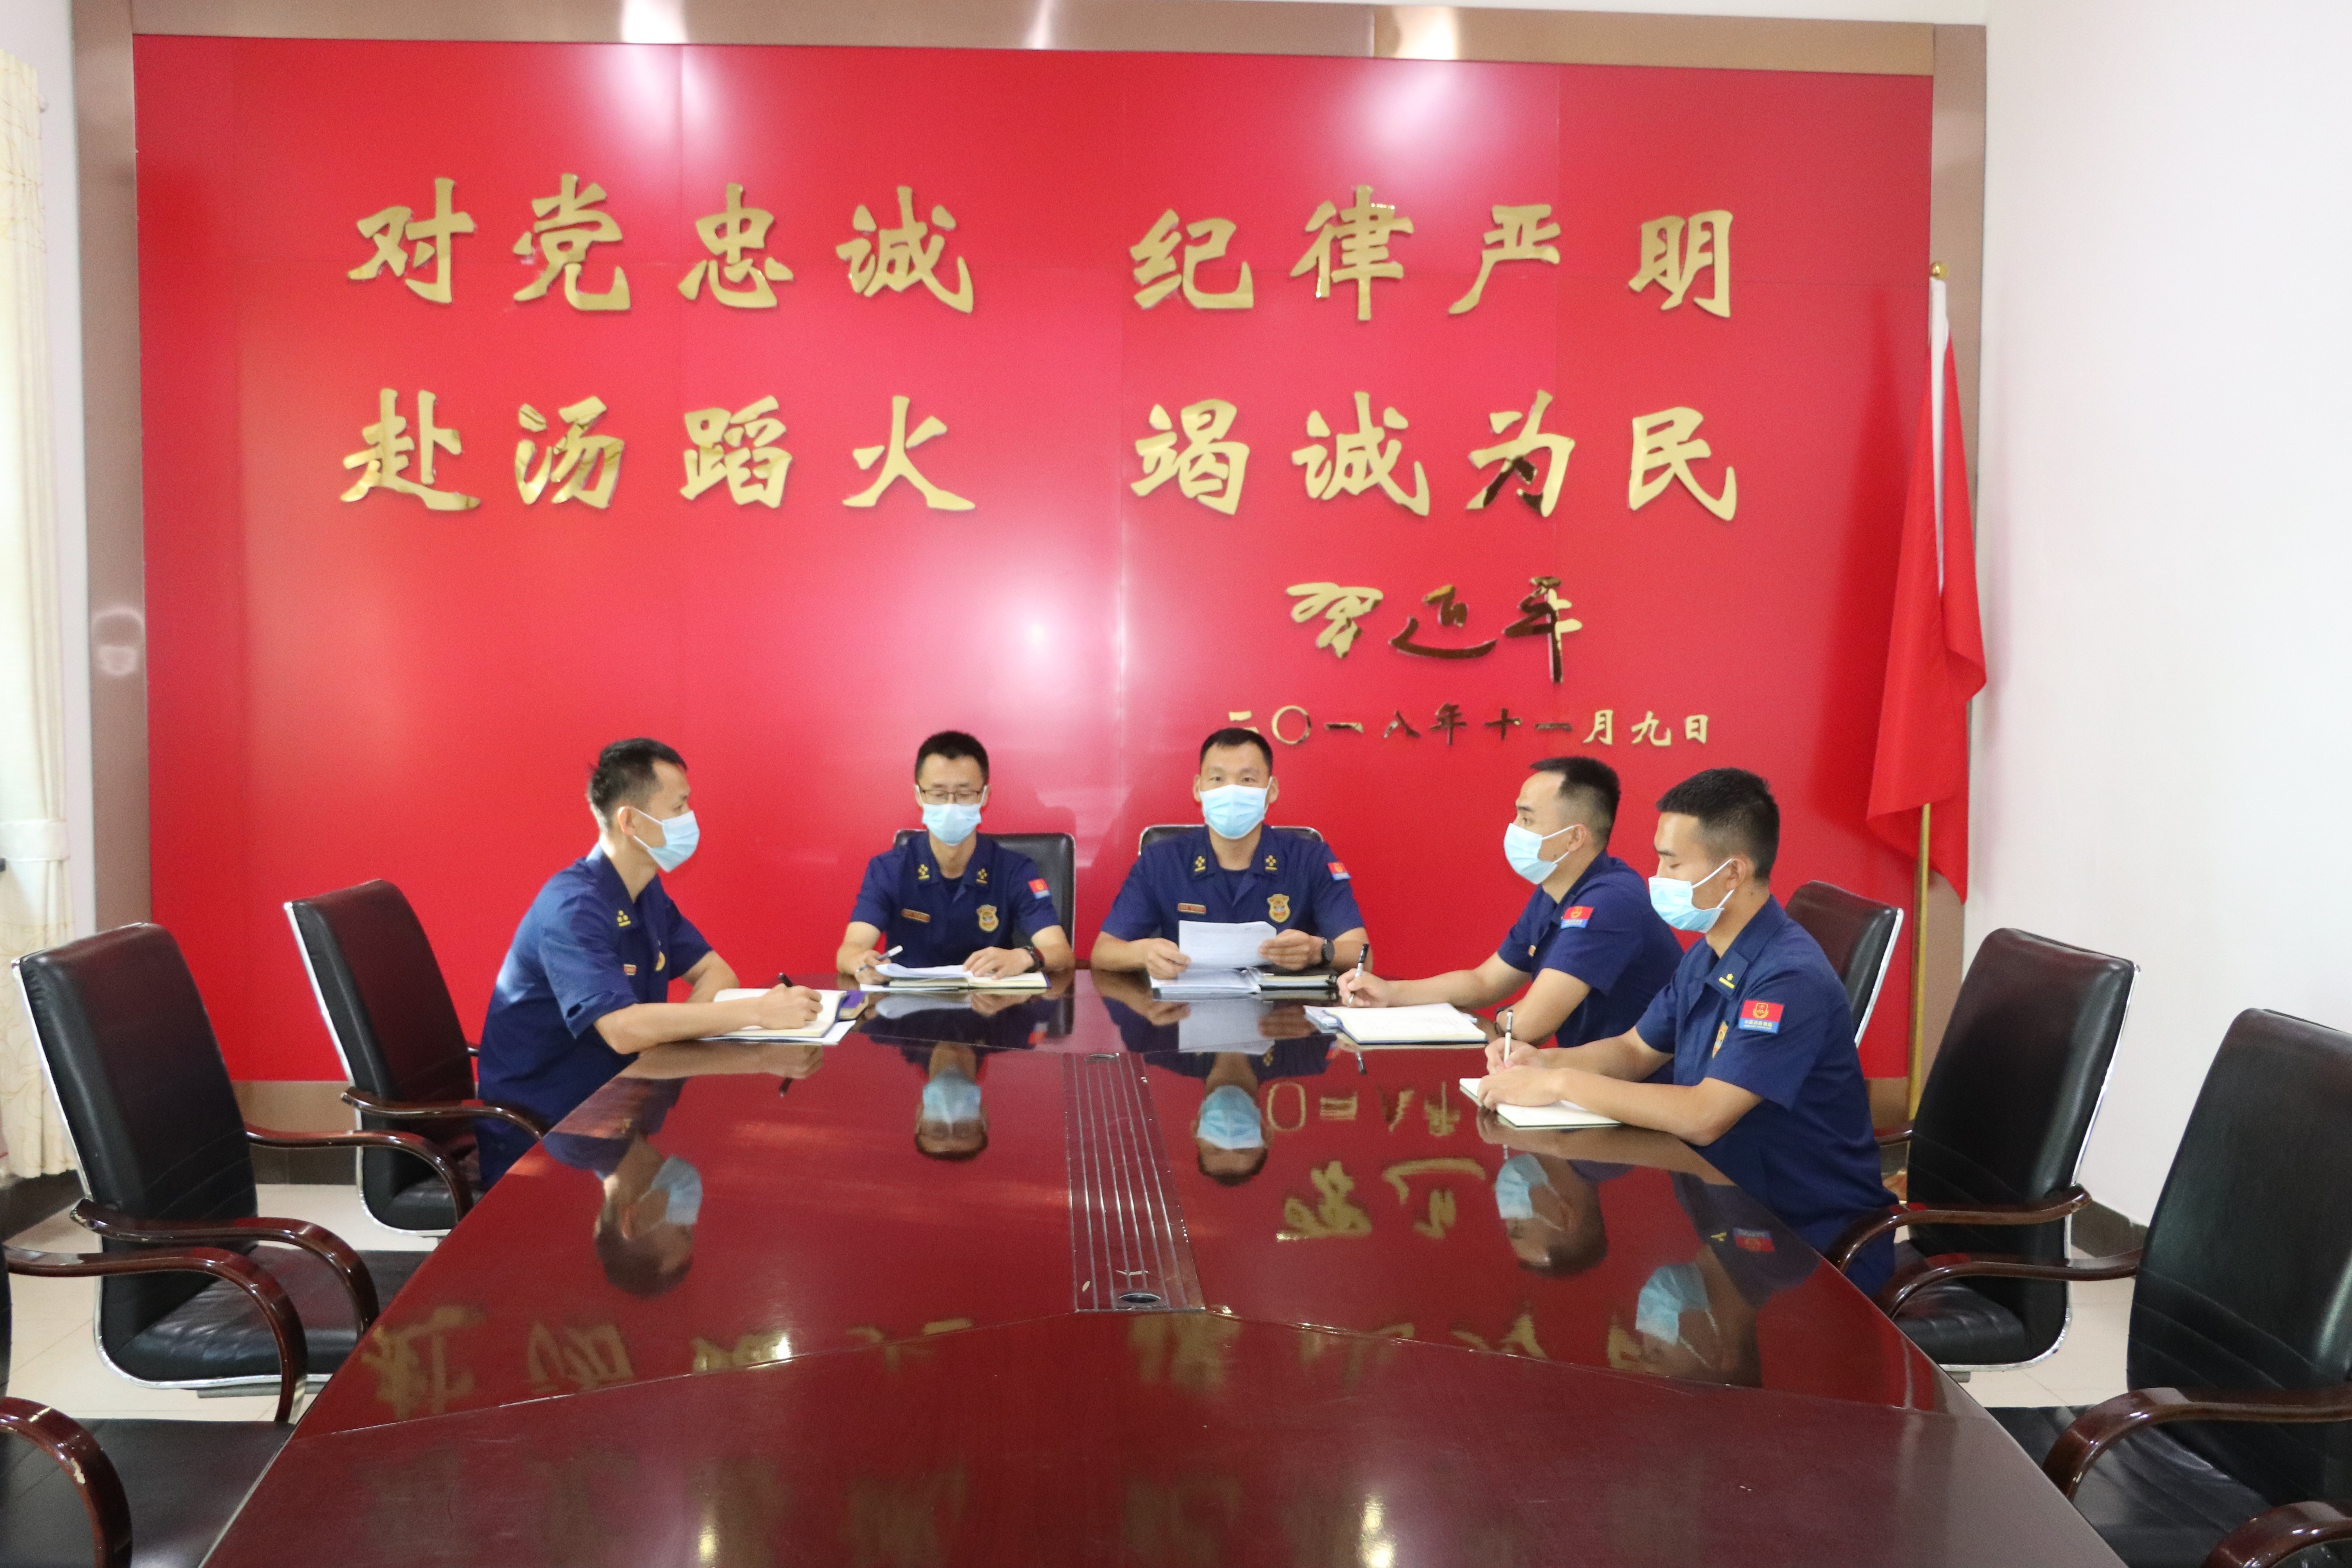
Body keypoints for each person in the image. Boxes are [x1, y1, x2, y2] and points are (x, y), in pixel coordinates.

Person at [1473, 768, 1898, 1292]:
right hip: (1729, 1203)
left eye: (1672, 863)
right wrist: (1542, 1061)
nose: (1657, 877)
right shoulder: (1709, 953)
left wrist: (1560, 1084)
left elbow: (1704, 1116)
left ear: (1732, 872)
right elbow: (1635, 1050)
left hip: (1810, 1244)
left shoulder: (1788, 978)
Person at [475, 738, 820, 1185]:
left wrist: (673, 1038)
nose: (690, 818)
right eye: (679, 807)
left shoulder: (645, 891)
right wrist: (758, 1012)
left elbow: (716, 971)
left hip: (618, 1104)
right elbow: (622, 1030)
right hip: (547, 1130)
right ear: (631, 821)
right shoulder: (574, 908)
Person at [1339, 755, 1680, 1048]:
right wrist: (1389, 992)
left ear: (1575, 837)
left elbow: (1529, 1027)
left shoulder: (1609, 902)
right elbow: (1486, 982)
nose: (1514, 828)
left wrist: (1498, 1020)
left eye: (1527, 820)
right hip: (1585, 1077)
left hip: (1641, 1086)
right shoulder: (1555, 889)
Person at [1091, 726, 1368, 977]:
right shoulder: (1161, 862)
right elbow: (1104, 952)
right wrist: (1144, 953)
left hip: (1286, 1011)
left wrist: (1319, 951)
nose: (1231, 791)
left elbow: (1363, 957)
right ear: (1198, 789)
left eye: (1247, 779)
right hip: (1183, 1009)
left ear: (1271, 790)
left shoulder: (1311, 859)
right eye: (1217, 778)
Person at [838, 731, 1074, 984]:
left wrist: (1026, 957)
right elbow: (849, 951)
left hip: (992, 1001)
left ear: (984, 796)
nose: (951, 805)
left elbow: (1061, 953)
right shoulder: (888, 869)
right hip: (909, 1001)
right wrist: (862, 963)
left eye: (964, 794)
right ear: (919, 796)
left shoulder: (1014, 869)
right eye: (938, 794)